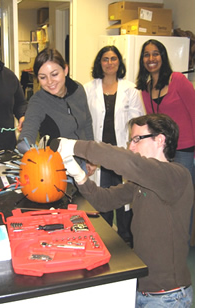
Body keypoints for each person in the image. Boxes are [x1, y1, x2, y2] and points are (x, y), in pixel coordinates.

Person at [54, 113, 194, 308]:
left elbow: (128, 161)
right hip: (143, 288)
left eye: (137, 139)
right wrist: (79, 176)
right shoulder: (141, 183)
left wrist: (73, 146)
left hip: (168, 297)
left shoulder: (176, 176)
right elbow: (104, 200)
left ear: (160, 140)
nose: (131, 146)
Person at [84, 45, 145, 247]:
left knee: (125, 201)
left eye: (113, 58)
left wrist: (134, 150)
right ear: (99, 63)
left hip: (122, 154)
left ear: (119, 62)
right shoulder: (88, 88)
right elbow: (84, 122)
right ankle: (103, 243)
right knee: (102, 200)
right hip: (99, 155)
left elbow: (139, 123)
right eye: (105, 59)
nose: (109, 63)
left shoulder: (131, 90)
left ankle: (127, 243)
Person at [17, 48, 94, 173]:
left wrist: (91, 156)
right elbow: (26, 137)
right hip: (57, 172)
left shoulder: (78, 89)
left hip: (82, 164)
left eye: (54, 74)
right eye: (43, 77)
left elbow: (87, 124)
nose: (50, 82)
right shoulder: (38, 102)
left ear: (65, 70)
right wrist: (27, 146)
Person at [136, 39, 195, 184]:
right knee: (170, 192)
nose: (151, 59)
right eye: (146, 55)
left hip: (185, 149)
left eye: (155, 54)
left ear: (162, 56)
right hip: (164, 149)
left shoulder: (178, 80)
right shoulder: (146, 89)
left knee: (185, 192)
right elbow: (154, 123)